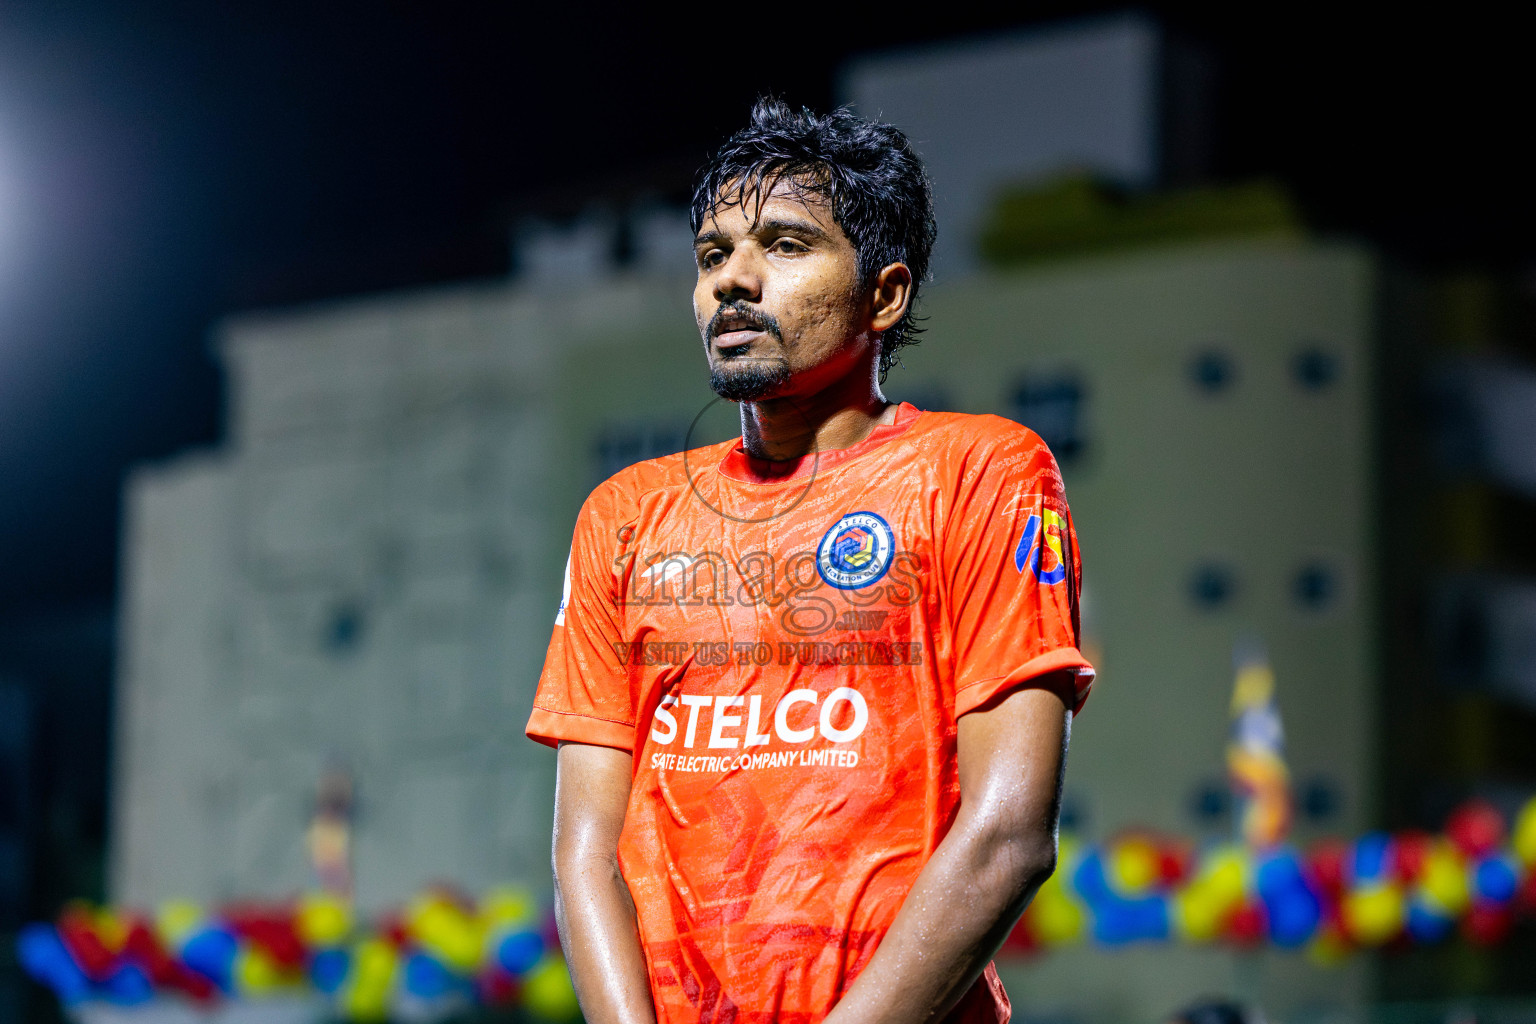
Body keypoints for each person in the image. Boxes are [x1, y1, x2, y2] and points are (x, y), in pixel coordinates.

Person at [526, 97, 1094, 1024]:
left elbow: (1010, 835)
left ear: (886, 293)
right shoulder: (623, 517)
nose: (733, 283)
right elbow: (584, 851)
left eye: (785, 246)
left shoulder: (984, 472)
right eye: (713, 256)